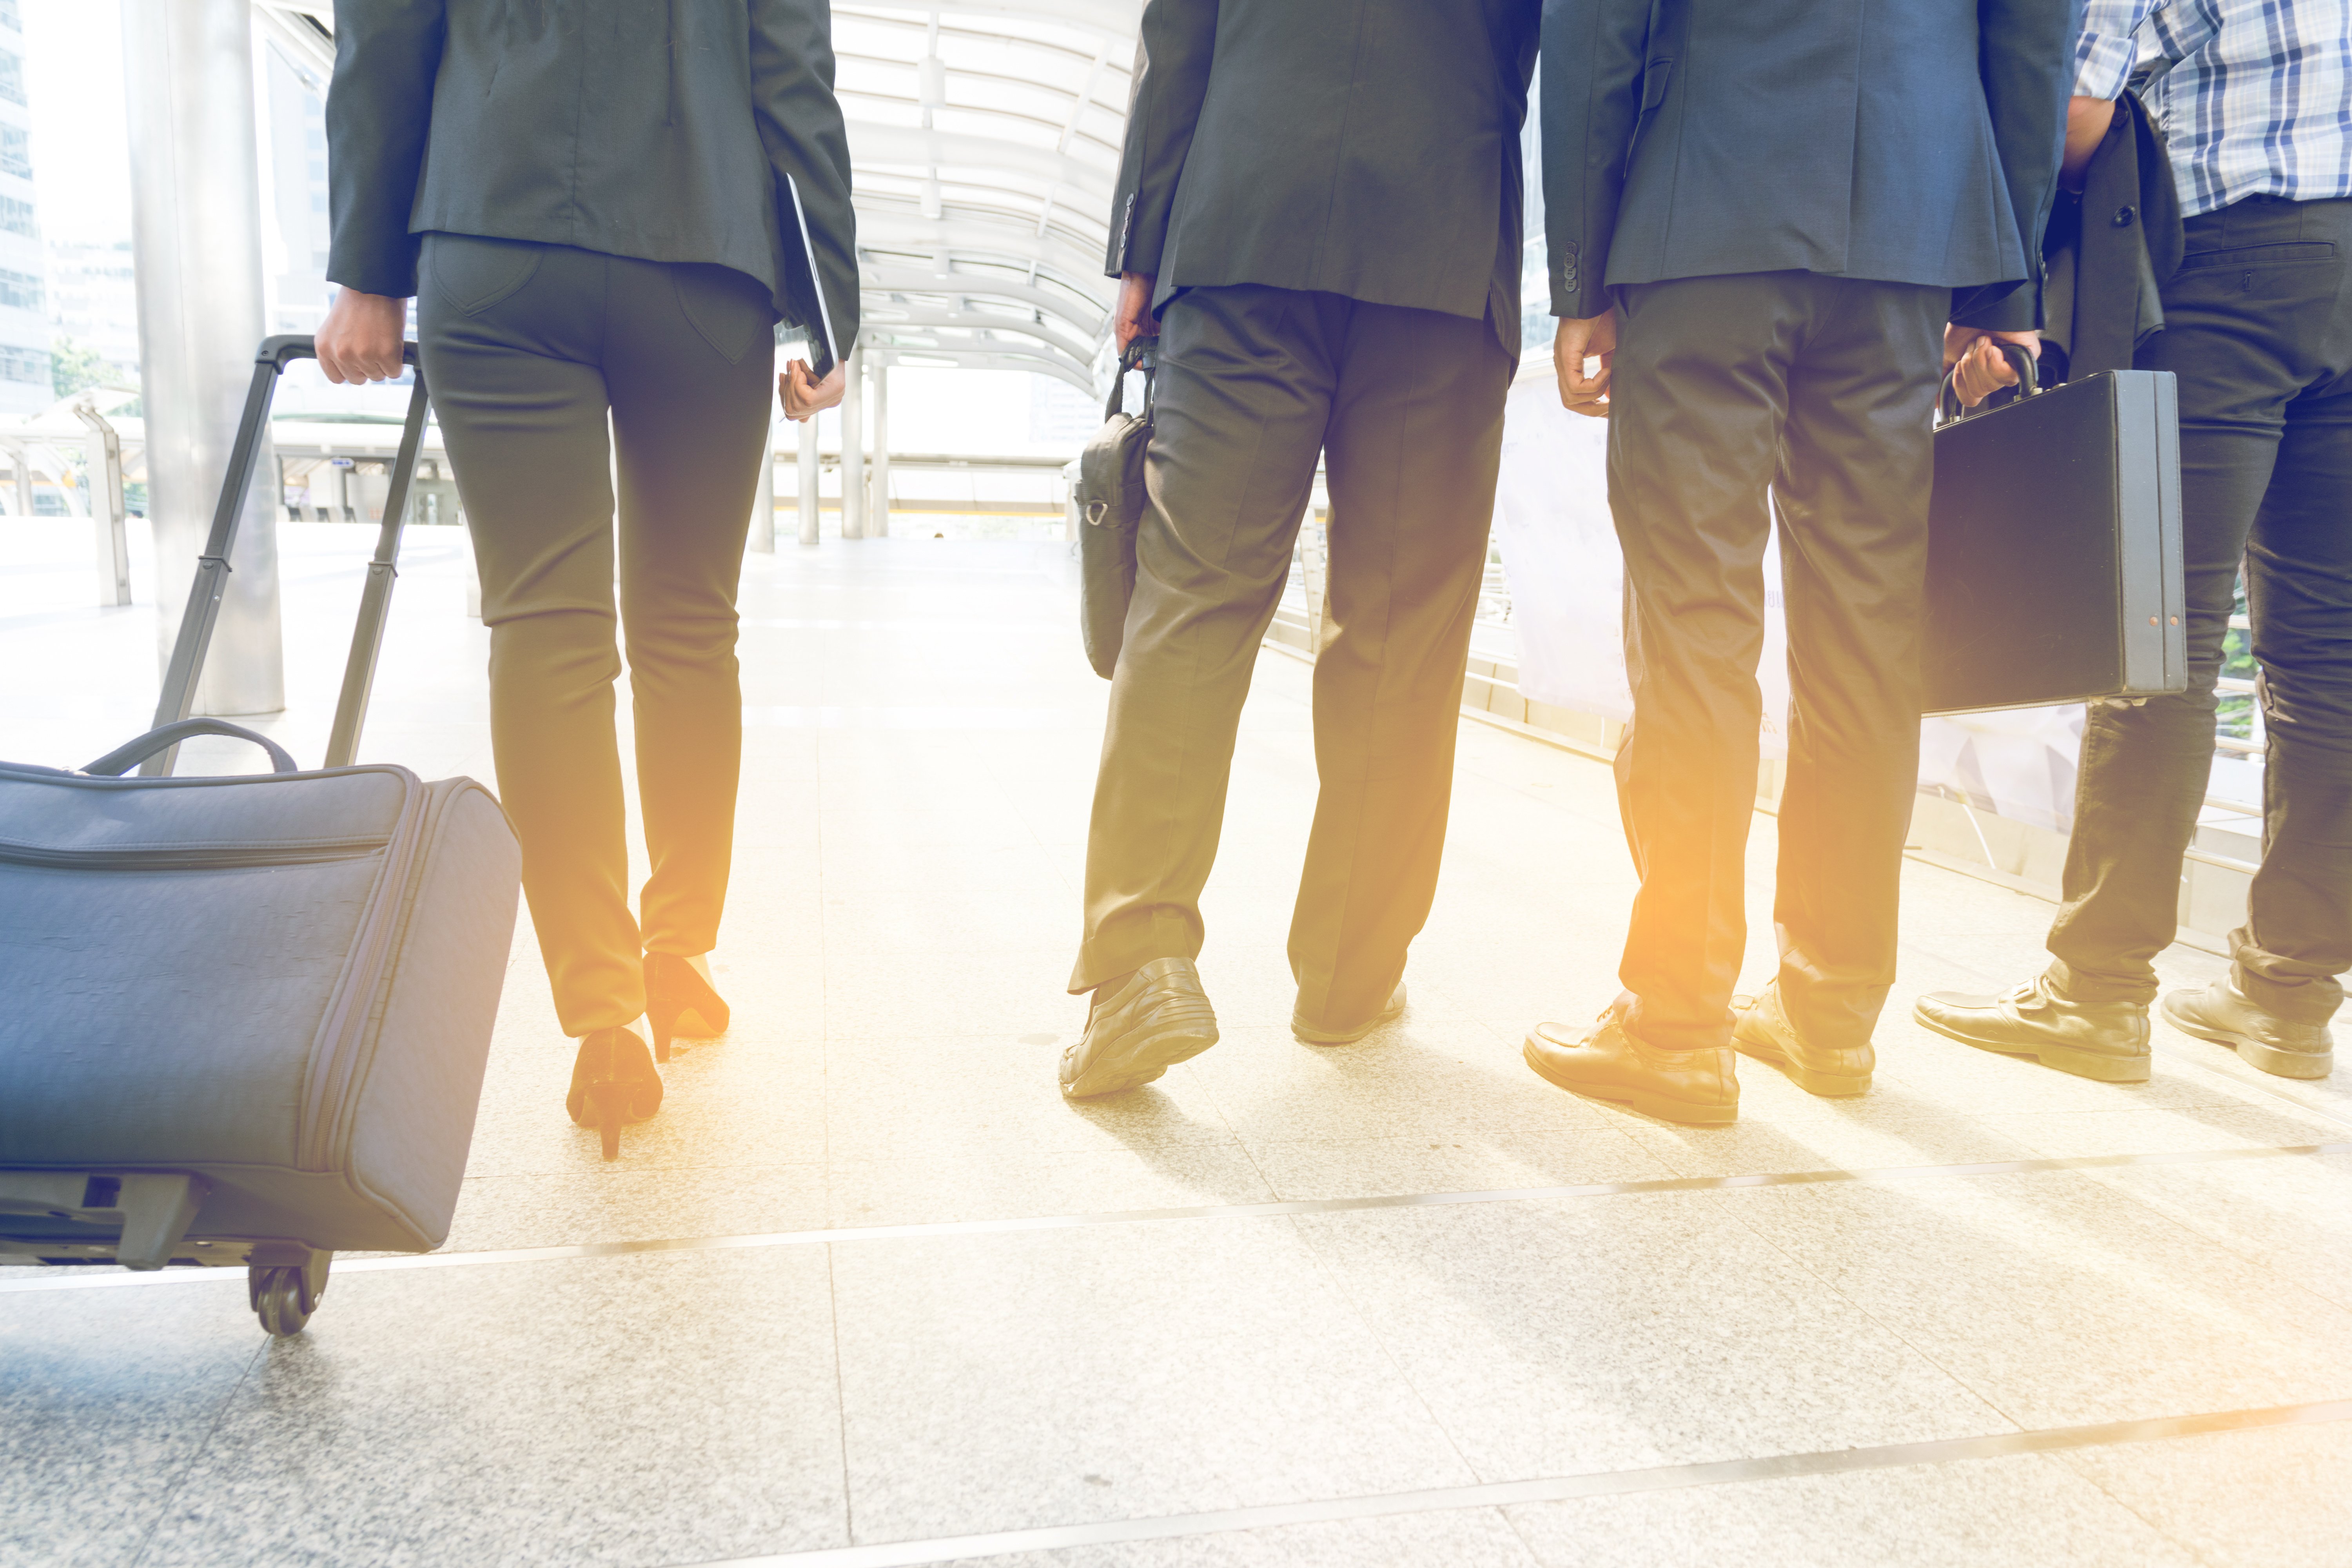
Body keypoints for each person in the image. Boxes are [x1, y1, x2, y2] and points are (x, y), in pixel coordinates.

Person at [314, 0, 857, 1156]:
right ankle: (677, 956)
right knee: (689, 630)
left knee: (546, 631)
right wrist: (830, 309)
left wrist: (367, 268)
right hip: (703, 252)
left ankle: (603, 1017)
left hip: (497, 231)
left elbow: (386, 33)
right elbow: (793, 71)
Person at [1523, 0, 2078, 1125]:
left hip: (1705, 217)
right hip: (1909, 234)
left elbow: (1596, 31)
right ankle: (1830, 1010)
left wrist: (1580, 276)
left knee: (1693, 629)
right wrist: (2000, 289)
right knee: (1869, 641)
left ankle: (1678, 1019)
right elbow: (2035, 35)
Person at [1056, 0, 1541, 1099]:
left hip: (1245, 227)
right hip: (1443, 234)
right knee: (1402, 631)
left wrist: (1141, 249)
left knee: (1194, 598)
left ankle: (1139, 963)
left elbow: (1180, 32)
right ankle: (1350, 974)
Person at [1920, 0, 2352, 1084]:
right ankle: (2290, 997)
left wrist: (2007, 277)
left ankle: (2097, 992)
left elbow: (2075, 106)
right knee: (2331, 656)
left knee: (2164, 638)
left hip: (2224, 270)